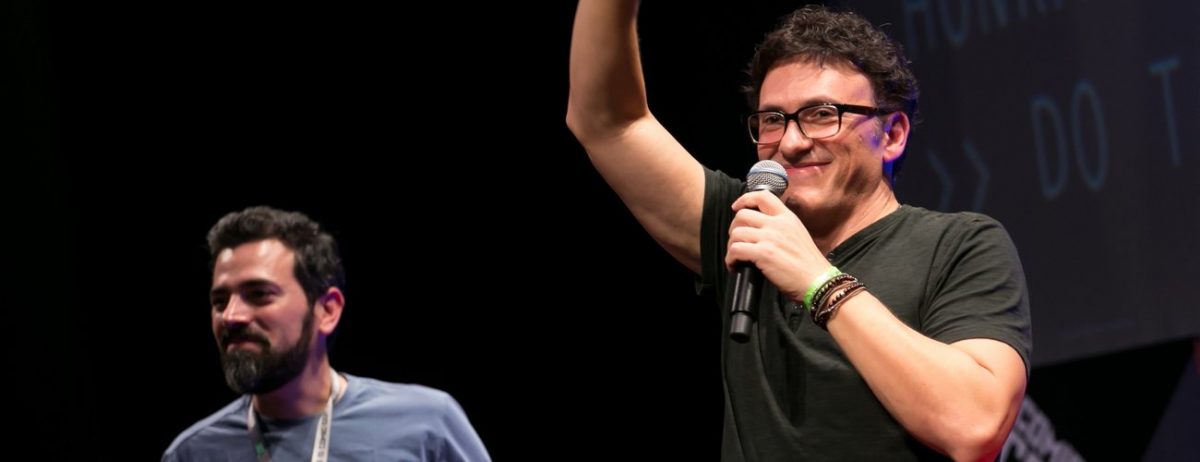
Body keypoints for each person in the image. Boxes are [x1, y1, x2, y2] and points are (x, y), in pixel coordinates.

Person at [567, 2, 1031, 461]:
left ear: (891, 135)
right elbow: (609, 123)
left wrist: (818, 281)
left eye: (822, 114)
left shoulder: (959, 245)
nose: (789, 143)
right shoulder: (746, 227)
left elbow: (974, 427)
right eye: (773, 120)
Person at [163, 206, 490, 461]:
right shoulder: (192, 454)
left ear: (328, 310)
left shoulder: (426, 425)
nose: (231, 316)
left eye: (259, 294)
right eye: (220, 301)